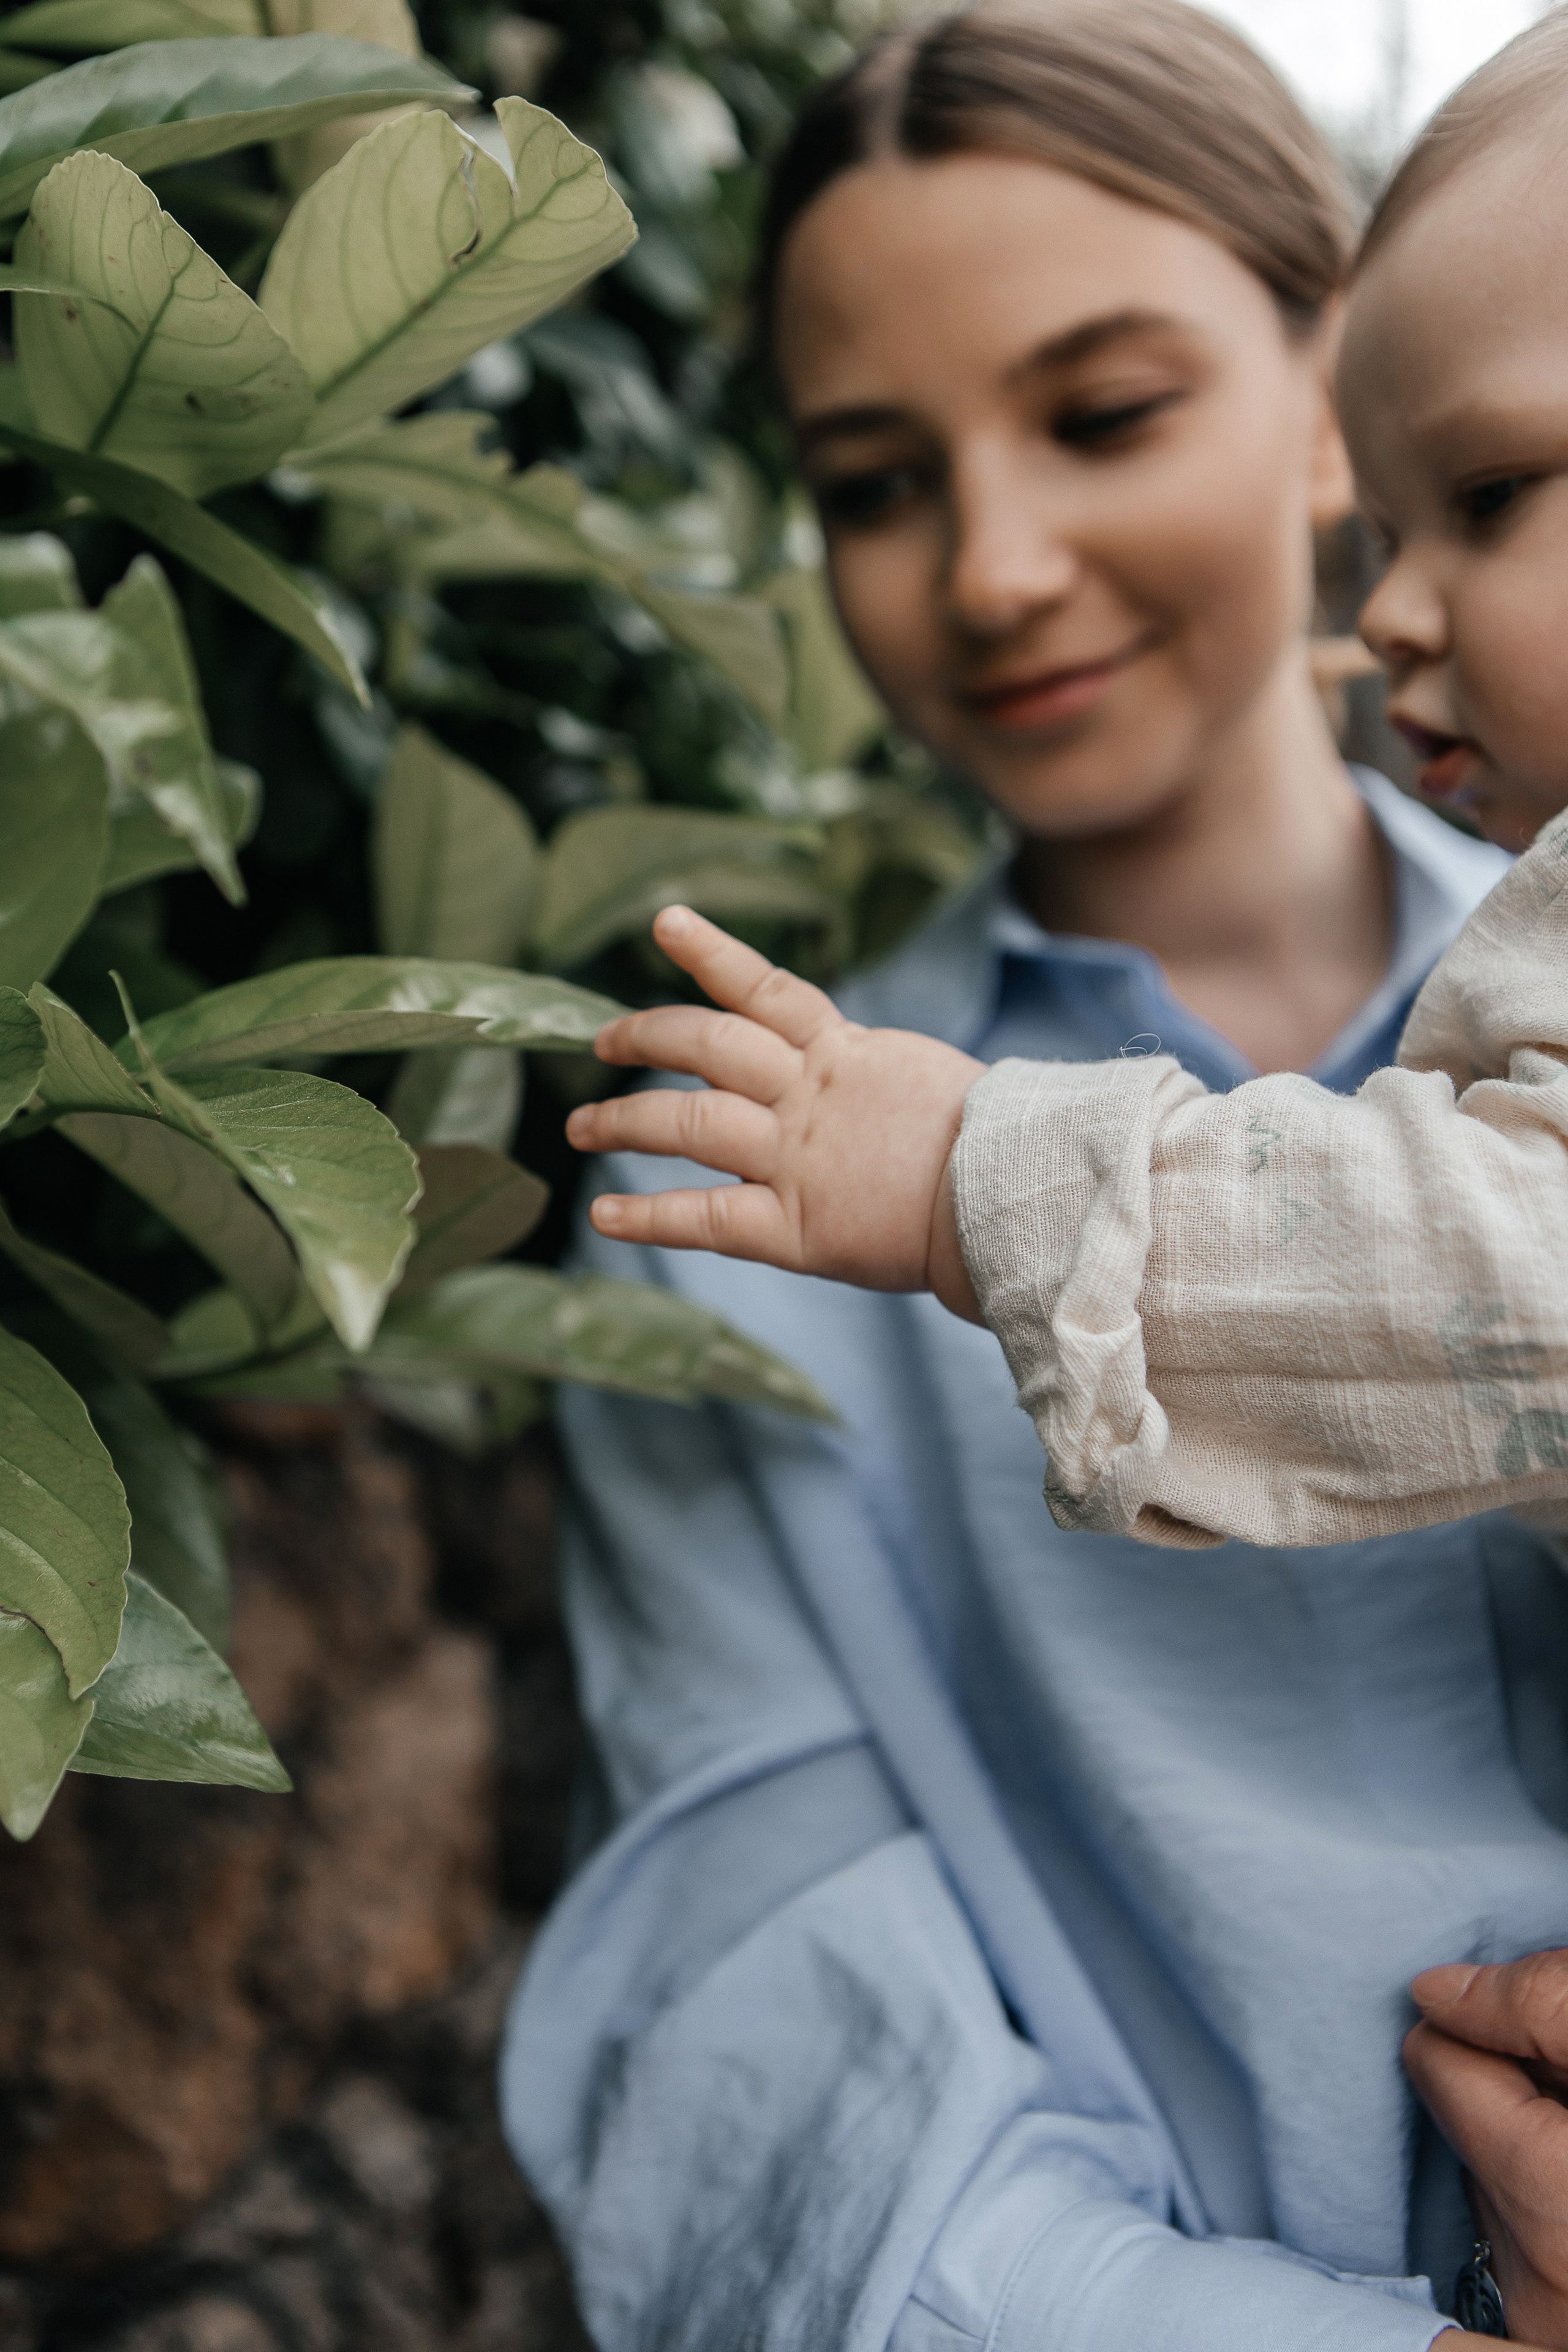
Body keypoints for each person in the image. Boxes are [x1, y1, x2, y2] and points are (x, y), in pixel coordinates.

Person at [501, 6, 1568, 2346]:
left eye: (1105, 412)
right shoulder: (733, 1231)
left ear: (1335, 391)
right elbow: (758, 2087)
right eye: (877, 479)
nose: (991, 566)